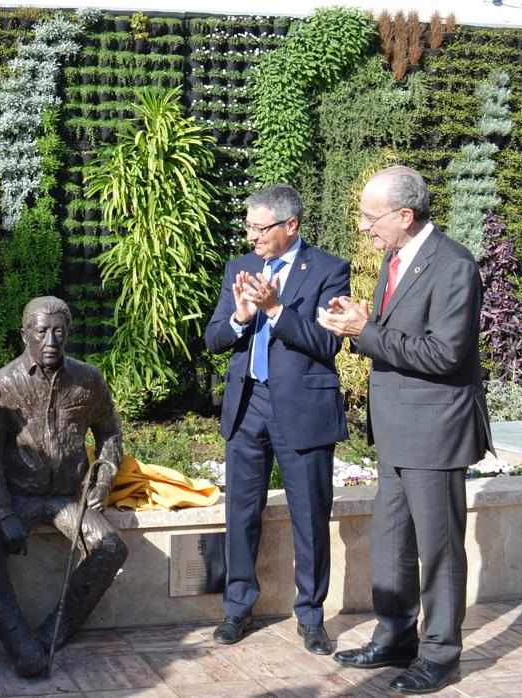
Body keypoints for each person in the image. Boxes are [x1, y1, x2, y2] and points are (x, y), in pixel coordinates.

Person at [320, 165, 490, 695]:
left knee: (438, 550)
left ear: (405, 215)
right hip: (395, 428)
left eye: (371, 217)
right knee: (392, 542)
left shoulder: (455, 265)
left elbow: (443, 354)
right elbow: (399, 336)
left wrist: (365, 332)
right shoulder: (395, 257)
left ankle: (440, 654)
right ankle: (396, 636)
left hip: (434, 431)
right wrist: (363, 322)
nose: (364, 227)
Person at [202, 184, 350, 655]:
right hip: (248, 405)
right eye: (248, 226)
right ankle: (236, 608)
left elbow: (327, 343)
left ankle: (311, 616)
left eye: (260, 228)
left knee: (310, 516)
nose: (252, 237)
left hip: (303, 410)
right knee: (240, 513)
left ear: (291, 225)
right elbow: (213, 339)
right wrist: (242, 318)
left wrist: (276, 310)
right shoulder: (239, 268)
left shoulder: (328, 270)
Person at [0, 295, 127, 678]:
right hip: (16, 496)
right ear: (26, 335)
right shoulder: (2, 384)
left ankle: (51, 634)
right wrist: (3, 514)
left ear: (69, 333)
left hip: (69, 497)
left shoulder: (89, 380)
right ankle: (21, 643)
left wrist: (103, 481)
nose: (51, 342)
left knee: (110, 548)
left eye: (58, 332)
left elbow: (110, 433)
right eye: (41, 332)